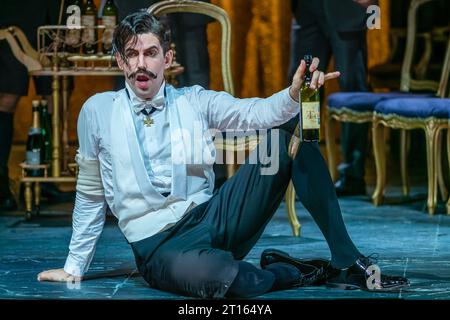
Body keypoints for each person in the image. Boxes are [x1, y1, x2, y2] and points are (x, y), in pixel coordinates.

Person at [37, 11, 409, 298]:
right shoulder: (97, 111)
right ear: (120, 61)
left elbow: (257, 113)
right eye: (131, 54)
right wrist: (74, 266)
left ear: (167, 58)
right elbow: (89, 194)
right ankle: (293, 270)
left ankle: (345, 260)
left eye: (150, 53)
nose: (141, 64)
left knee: (284, 141)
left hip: (213, 217)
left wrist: (294, 94)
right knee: (234, 282)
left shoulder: (194, 100)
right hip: (160, 248)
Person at [289, 0, 378, 196]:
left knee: (353, 90)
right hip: (307, 10)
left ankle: (353, 175)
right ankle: (303, 173)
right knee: (305, 90)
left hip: (349, 8)